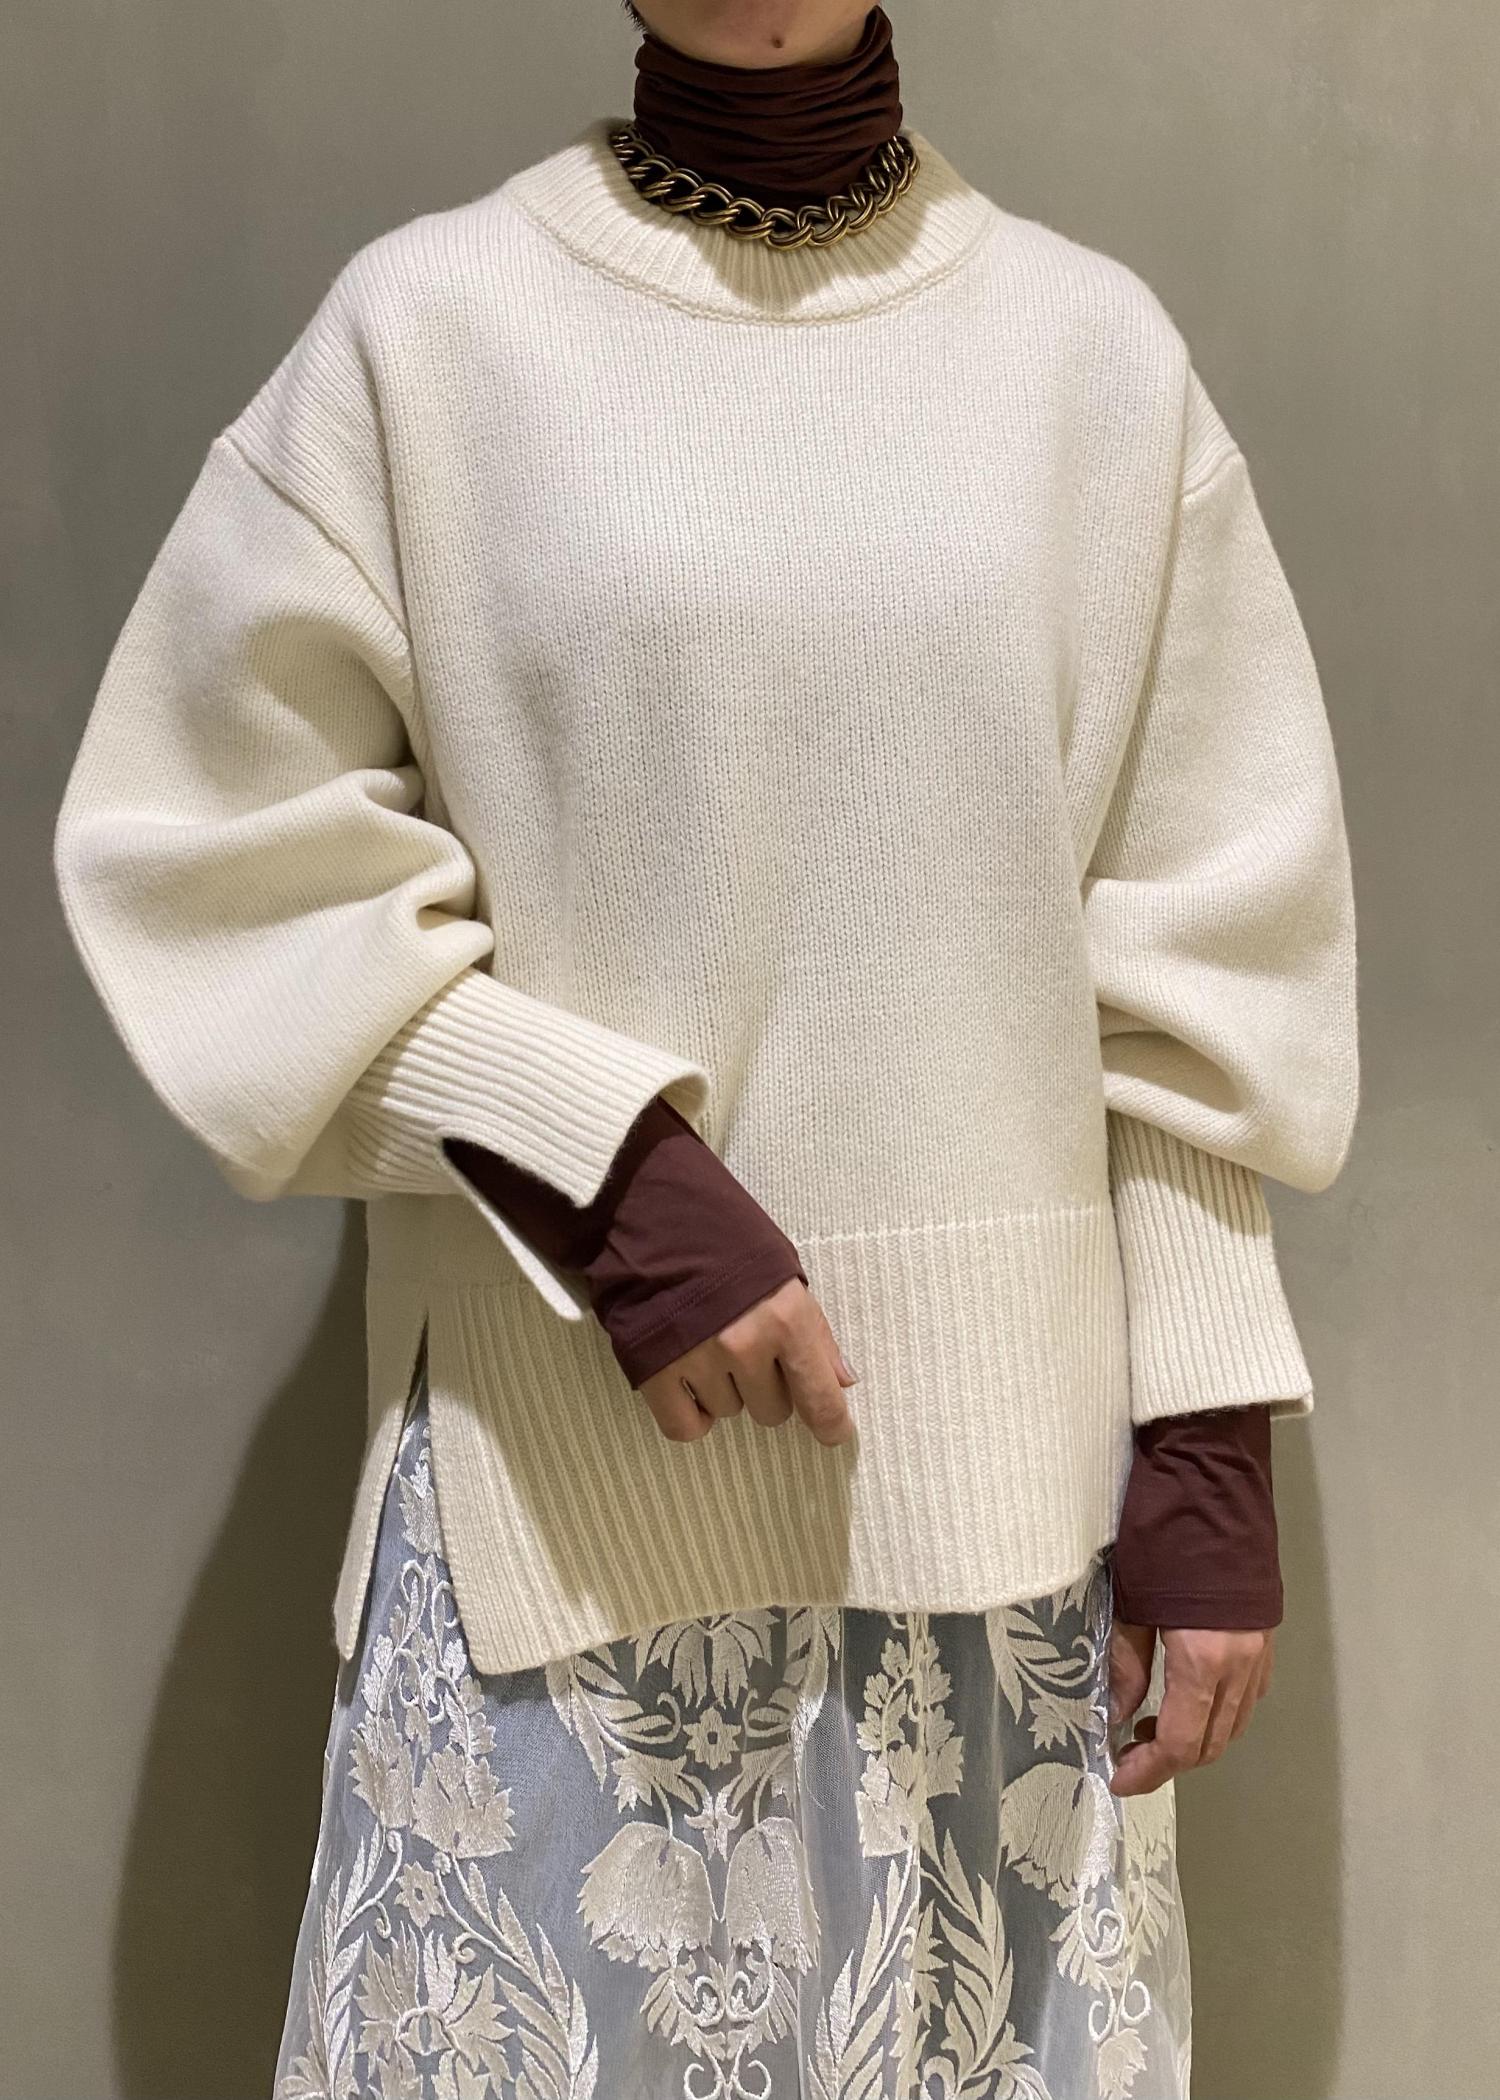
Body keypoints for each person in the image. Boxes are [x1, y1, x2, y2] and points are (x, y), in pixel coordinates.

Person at [52, 5, 1358, 2093]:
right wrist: (598, 1169)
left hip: (1004, 1542)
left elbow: (1202, 943)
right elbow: (206, 857)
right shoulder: (428, 335)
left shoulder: (1092, 361)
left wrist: (1209, 1440)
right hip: (560, 1507)